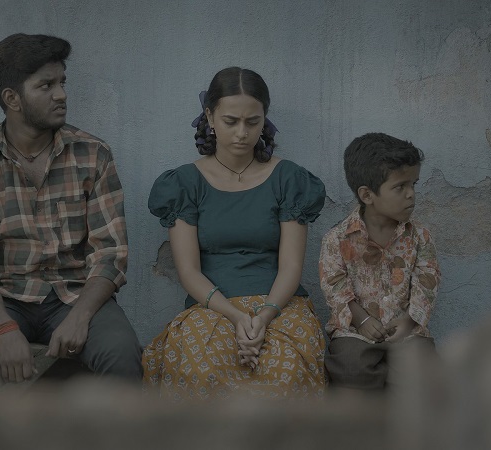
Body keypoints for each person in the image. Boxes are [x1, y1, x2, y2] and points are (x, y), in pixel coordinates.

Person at [0, 33, 142, 384]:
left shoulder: (93, 154)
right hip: (4, 297)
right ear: (12, 98)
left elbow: (111, 254)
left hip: (75, 295)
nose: (61, 94)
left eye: (62, 82)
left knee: (122, 353)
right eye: (46, 85)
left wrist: (80, 317)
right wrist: (4, 328)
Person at [143, 67, 327, 400]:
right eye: (231, 121)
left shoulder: (289, 180)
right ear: (210, 117)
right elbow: (189, 271)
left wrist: (264, 317)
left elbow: (291, 267)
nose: (242, 133)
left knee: (287, 373)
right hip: (212, 307)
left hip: (280, 305)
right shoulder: (184, 184)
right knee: (200, 370)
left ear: (264, 119)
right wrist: (237, 316)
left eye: (252, 122)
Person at [319, 132, 440, 390]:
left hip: (408, 331)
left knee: (423, 374)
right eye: (400, 187)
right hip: (355, 331)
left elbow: (427, 282)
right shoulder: (337, 239)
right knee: (350, 369)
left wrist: (408, 322)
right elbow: (334, 285)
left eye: (413, 184)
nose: (411, 194)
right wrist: (362, 320)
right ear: (367, 195)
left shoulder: (420, 237)